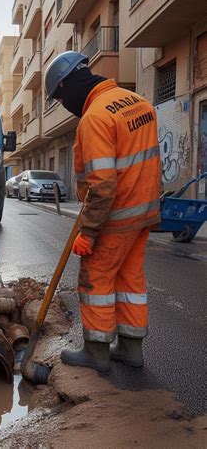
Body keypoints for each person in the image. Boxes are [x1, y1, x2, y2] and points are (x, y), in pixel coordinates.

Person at [44, 51, 161, 372]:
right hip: (144, 213)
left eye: (59, 97)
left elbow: (104, 184)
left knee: (95, 279)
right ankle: (130, 349)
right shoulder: (138, 103)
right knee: (130, 280)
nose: (63, 104)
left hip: (114, 218)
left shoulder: (96, 118)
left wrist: (89, 231)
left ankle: (96, 352)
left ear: (68, 85)